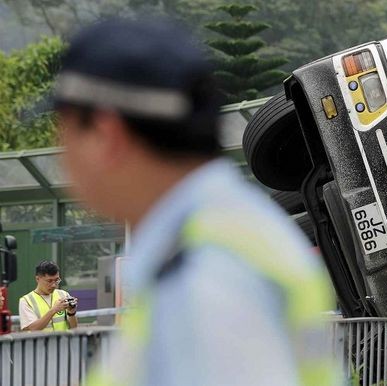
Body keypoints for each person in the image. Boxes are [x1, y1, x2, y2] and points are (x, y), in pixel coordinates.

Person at [54, 18, 338, 386]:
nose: (63, 155)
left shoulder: (205, 275)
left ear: (107, 136)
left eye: (65, 130)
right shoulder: (228, 234)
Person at [19, 260, 78, 331]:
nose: (53, 285)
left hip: (63, 341)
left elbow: (74, 328)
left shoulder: (63, 294)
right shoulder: (26, 301)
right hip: (41, 342)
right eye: (49, 281)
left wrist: (71, 313)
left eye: (56, 280)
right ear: (37, 279)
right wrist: (54, 310)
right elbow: (33, 328)